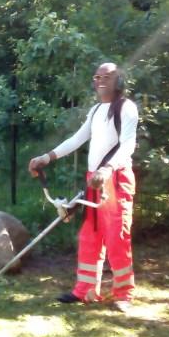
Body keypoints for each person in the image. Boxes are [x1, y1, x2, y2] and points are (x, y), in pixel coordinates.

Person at [28, 63, 138, 312]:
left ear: (118, 80)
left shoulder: (126, 108)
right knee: (90, 235)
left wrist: (107, 169)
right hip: (95, 179)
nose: (100, 81)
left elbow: (127, 145)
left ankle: (124, 294)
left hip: (115, 178)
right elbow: (77, 139)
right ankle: (86, 291)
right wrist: (47, 157)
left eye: (107, 77)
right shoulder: (97, 110)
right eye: (97, 77)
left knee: (117, 237)